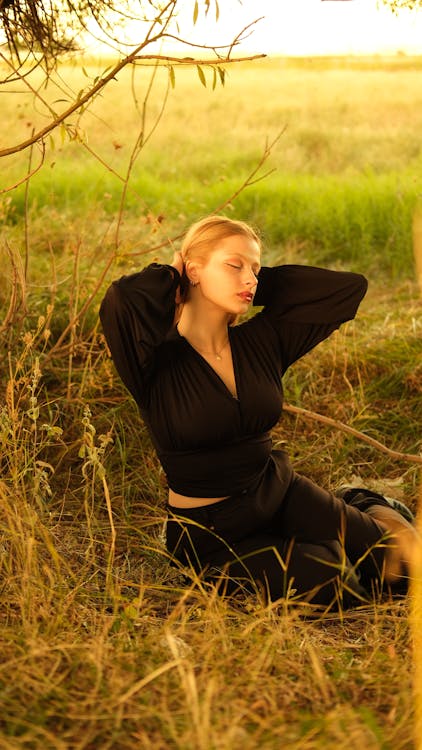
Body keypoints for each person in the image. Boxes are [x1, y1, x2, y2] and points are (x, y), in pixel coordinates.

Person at [99, 215, 417, 609]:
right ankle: (336, 540)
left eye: (256, 269)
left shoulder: (263, 341)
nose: (249, 279)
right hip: (212, 533)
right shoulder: (152, 361)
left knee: (405, 568)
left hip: (280, 491)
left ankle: (361, 503)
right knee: (339, 585)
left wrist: (252, 283)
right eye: (234, 265)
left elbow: (347, 290)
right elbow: (120, 302)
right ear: (194, 271)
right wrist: (171, 277)